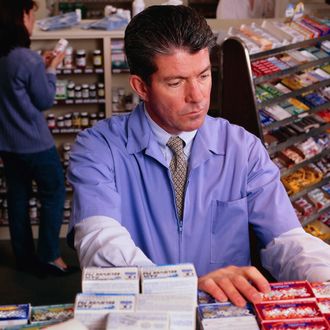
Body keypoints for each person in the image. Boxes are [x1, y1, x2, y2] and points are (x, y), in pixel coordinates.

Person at [68, 5, 330, 306]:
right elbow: (101, 246)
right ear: (141, 86)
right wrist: (186, 286)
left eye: (203, 75)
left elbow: (287, 242)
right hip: (145, 317)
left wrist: (324, 275)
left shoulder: (242, 148)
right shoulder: (99, 148)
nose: (197, 96)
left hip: (225, 317)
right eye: (175, 82)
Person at [0, 0, 76, 275]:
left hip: (7, 145)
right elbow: (44, 99)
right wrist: (52, 67)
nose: (33, 19)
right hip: (35, 143)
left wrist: (38, 67)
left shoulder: (8, 57)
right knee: (54, 191)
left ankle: (24, 258)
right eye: (31, 13)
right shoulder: (26, 58)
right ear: (20, 16)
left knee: (17, 198)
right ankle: (50, 256)